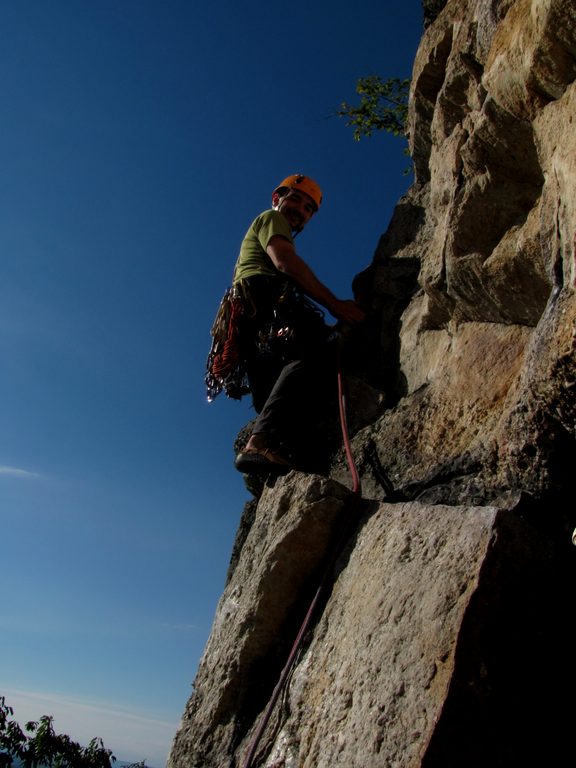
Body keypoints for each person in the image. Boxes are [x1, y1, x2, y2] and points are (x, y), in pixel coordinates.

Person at [221, 174, 365, 474]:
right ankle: (261, 443)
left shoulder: (258, 236)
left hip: (251, 318)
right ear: (277, 199)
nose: (301, 210)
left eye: (309, 208)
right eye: (295, 199)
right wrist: (336, 306)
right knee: (316, 350)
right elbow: (285, 261)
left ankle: (277, 448)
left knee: (273, 386)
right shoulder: (270, 221)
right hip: (265, 299)